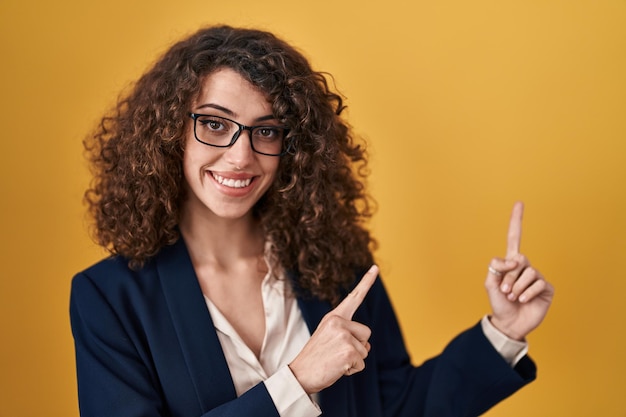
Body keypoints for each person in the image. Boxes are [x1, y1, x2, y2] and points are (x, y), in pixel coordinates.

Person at [70, 25, 554, 417]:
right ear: (170, 131)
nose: (241, 156)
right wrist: (296, 382)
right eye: (215, 124)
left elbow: (399, 407)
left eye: (267, 130)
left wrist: (503, 332)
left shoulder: (335, 267)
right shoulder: (108, 298)